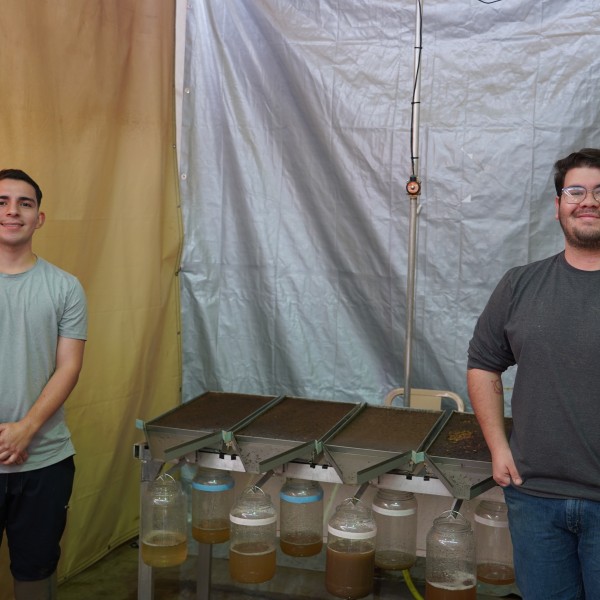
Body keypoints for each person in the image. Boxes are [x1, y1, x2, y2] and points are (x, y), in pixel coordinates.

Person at [467, 148, 600, 599]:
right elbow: (484, 363)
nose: (589, 201)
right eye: (576, 191)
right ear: (558, 206)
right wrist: (498, 446)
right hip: (535, 497)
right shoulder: (520, 285)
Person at [0, 169, 87, 599]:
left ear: (40, 218)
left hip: (45, 462)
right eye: (1, 202)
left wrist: (25, 429)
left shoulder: (65, 287)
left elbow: (68, 368)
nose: (12, 211)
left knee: (34, 577)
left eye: (24, 203)